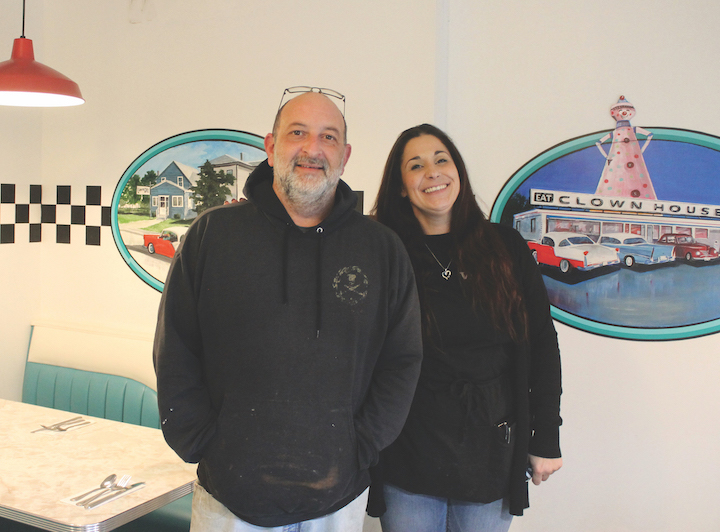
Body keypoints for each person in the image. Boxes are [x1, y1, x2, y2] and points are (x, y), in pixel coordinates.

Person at [153, 89, 423, 531]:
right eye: (298, 133)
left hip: (338, 498)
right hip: (229, 499)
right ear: (271, 145)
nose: (312, 149)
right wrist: (200, 442)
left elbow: (402, 360)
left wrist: (362, 445)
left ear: (345, 155)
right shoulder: (212, 236)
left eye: (328, 137)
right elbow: (175, 349)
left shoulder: (381, 249)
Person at [368, 124, 562, 532]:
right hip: (409, 451)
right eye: (416, 165)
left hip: (490, 451)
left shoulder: (505, 247)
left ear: (458, 171)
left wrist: (546, 436)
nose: (433, 172)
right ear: (401, 186)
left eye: (442, 160)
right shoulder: (385, 254)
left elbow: (542, 343)